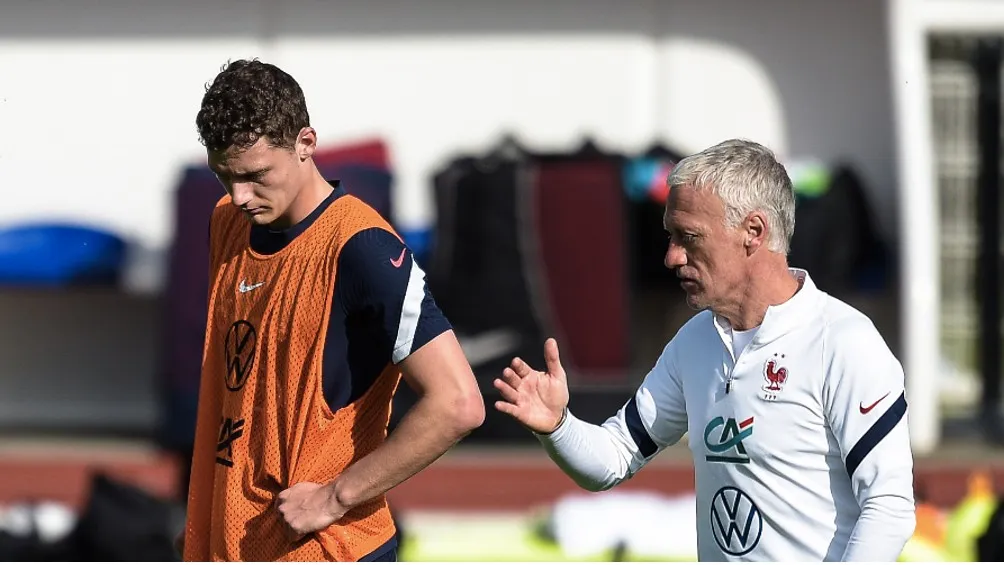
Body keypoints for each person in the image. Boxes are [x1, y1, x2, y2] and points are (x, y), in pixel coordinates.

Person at [494, 139, 916, 561]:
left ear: (753, 232)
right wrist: (558, 426)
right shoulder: (695, 340)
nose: (671, 257)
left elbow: (889, 509)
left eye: (689, 237)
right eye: (670, 236)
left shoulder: (842, 342)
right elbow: (612, 459)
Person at [178, 59, 485, 562]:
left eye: (255, 176)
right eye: (223, 176)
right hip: (235, 545)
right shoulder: (227, 221)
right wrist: (208, 524)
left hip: (328, 549)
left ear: (305, 143)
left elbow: (457, 403)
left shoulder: (361, 249)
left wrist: (334, 496)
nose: (239, 196)